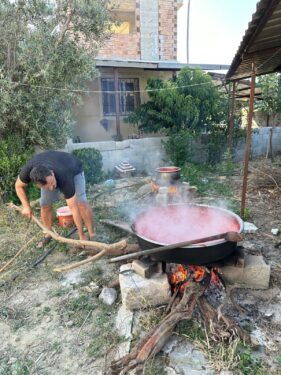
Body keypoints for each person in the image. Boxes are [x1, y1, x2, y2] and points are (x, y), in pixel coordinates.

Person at [15, 150, 95, 247]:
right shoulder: (28, 171)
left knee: (81, 203)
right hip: (50, 167)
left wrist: (81, 236)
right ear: (37, 184)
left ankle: (92, 234)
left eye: (52, 183)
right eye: (47, 186)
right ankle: (49, 233)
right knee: (45, 205)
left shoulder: (64, 176)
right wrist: (26, 206)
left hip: (74, 168)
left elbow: (73, 209)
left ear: (52, 173)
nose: (52, 188)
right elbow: (18, 186)